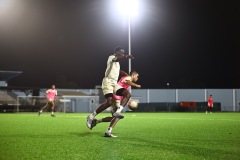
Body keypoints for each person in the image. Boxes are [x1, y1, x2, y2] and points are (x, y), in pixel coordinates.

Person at [86, 46, 134, 133]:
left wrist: (125, 73)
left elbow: (117, 70)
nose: (122, 54)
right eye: (121, 52)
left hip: (114, 83)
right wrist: (126, 56)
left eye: (123, 53)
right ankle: (91, 116)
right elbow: (116, 59)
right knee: (109, 102)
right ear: (116, 52)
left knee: (128, 94)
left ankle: (117, 113)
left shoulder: (117, 63)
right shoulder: (112, 57)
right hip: (107, 81)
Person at [91, 70, 141, 138]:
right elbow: (127, 81)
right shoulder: (128, 78)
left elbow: (123, 90)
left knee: (113, 118)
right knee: (117, 116)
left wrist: (128, 101)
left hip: (116, 97)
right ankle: (108, 132)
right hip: (116, 98)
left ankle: (96, 121)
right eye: (137, 76)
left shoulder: (125, 77)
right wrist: (136, 85)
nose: (137, 78)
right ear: (133, 75)